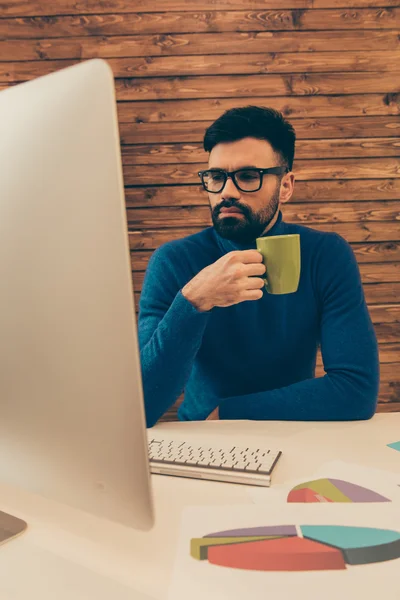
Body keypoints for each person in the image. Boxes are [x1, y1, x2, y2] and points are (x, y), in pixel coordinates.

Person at [138, 105, 379, 428]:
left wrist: (229, 412)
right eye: (216, 177)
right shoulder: (174, 261)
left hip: (293, 434)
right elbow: (141, 405)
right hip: (206, 439)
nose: (227, 192)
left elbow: (356, 390)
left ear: (286, 186)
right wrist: (193, 301)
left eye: (248, 176)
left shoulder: (325, 254)